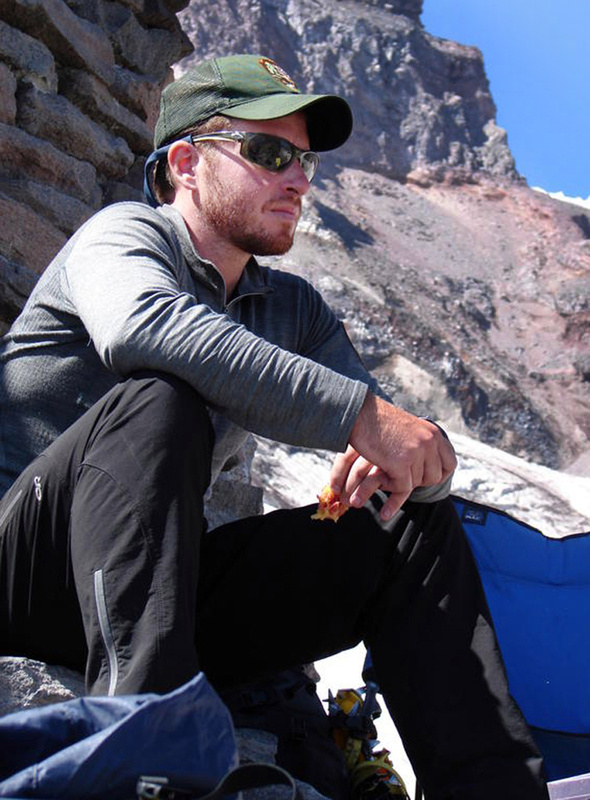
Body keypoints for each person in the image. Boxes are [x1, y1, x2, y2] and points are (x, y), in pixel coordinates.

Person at [0, 55, 548, 799]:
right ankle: (142, 746)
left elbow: (399, 442)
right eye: (269, 153)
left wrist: (424, 461)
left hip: (158, 591)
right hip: (25, 572)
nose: (297, 179)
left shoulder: (292, 310)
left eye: (305, 162)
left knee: (406, 526)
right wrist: (359, 417)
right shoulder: (123, 235)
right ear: (187, 162)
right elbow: (145, 329)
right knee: (159, 397)